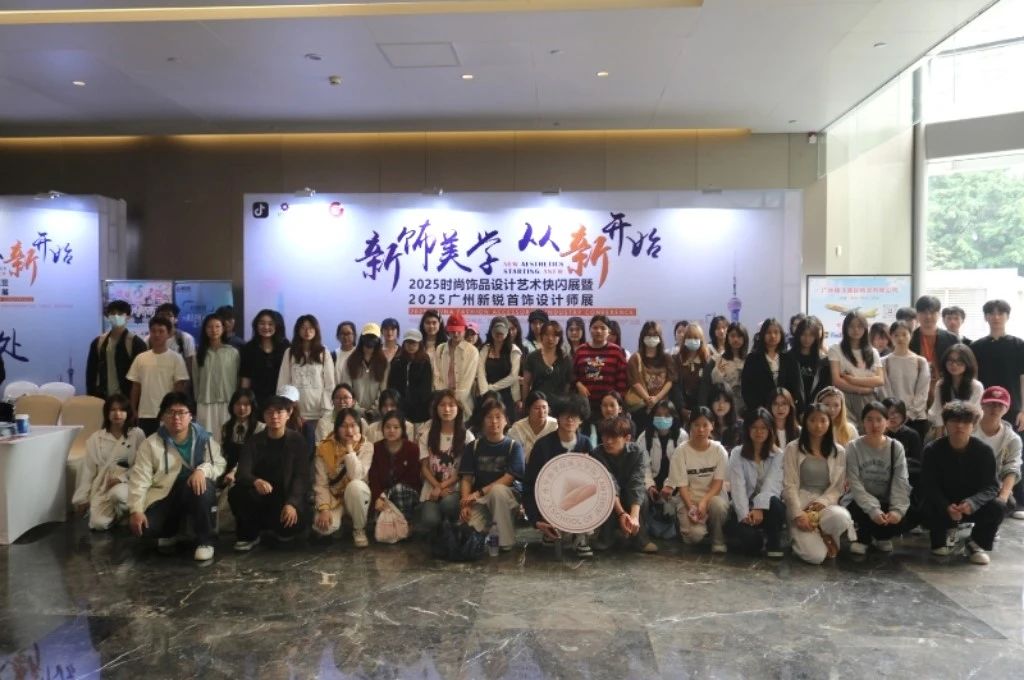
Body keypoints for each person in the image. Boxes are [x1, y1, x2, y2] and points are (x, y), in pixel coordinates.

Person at [127, 391, 225, 562]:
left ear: (191, 416)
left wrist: (202, 470)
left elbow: (219, 464)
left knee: (203, 485)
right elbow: (139, 479)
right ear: (162, 416)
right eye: (170, 412)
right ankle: (172, 532)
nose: (176, 417)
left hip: (194, 491)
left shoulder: (204, 438)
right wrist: (136, 510)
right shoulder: (151, 444)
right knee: (146, 529)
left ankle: (205, 541)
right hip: (165, 495)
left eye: (181, 412)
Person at [921, 401, 1004, 564]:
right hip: (943, 505)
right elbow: (928, 485)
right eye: (954, 421)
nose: (959, 426)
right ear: (946, 424)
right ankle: (942, 535)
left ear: (973, 425)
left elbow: (991, 486)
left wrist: (972, 503)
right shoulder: (932, 450)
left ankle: (975, 543)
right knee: (927, 510)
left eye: (965, 422)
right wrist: (946, 505)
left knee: (998, 506)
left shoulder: (984, 451)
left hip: (971, 504)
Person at [228, 389, 310, 551]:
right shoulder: (254, 441)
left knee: (286, 533)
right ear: (263, 416)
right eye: (269, 412)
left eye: (279, 412)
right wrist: (255, 480)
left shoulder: (297, 441)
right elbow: (242, 472)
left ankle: (277, 527)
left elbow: (301, 476)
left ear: (288, 414)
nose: (274, 416)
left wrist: (292, 503)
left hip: (285, 498)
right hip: (261, 497)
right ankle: (250, 535)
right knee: (237, 492)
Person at [782, 403, 855, 564]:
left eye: (823, 420)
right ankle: (801, 536)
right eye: (813, 420)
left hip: (826, 503)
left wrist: (818, 505)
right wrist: (798, 514)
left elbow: (837, 488)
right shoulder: (793, 448)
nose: (818, 425)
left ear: (829, 422)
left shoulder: (839, 451)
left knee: (841, 517)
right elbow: (789, 485)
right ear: (805, 422)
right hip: (800, 501)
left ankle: (823, 531)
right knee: (815, 557)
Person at [523, 394, 595, 557]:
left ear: (581, 420)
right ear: (558, 417)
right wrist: (535, 519)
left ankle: (581, 535)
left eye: (575, 416)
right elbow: (530, 483)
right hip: (549, 500)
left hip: (579, 498)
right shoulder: (542, 445)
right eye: (565, 415)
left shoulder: (585, 443)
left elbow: (597, 480)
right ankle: (550, 529)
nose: (570, 420)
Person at [844, 402, 913, 555]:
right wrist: (873, 509)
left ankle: (882, 537)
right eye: (869, 419)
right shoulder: (853, 447)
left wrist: (897, 510)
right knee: (858, 509)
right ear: (863, 422)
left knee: (906, 514)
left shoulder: (896, 447)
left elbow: (901, 481)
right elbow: (855, 483)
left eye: (879, 419)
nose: (874, 425)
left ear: (887, 422)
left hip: (886, 500)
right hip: (860, 501)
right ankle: (863, 538)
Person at [458, 399, 525, 551]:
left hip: (507, 497)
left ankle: (504, 542)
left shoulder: (514, 447)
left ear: (506, 420)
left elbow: (508, 479)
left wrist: (478, 493)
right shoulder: (473, 447)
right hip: (481, 500)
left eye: (498, 417)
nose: (494, 421)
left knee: (497, 491)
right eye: (489, 417)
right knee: (466, 532)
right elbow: (466, 479)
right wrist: (465, 504)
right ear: (482, 421)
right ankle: (491, 531)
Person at [72, 394, 146, 530]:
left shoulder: (137, 434)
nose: (117, 414)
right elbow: (88, 470)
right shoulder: (96, 438)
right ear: (107, 413)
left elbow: (142, 465)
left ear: (128, 413)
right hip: (103, 485)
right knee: (98, 524)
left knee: (117, 495)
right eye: (113, 410)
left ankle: (128, 513)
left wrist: (121, 478)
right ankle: (118, 515)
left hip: (127, 482)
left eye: (121, 410)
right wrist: (83, 498)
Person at [662, 407, 729, 552]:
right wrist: (691, 507)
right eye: (696, 425)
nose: (701, 429)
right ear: (690, 426)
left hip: (712, 497)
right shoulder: (681, 451)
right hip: (689, 499)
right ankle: (686, 524)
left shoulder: (719, 451)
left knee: (718, 506)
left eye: (705, 425)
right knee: (694, 537)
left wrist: (704, 502)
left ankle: (718, 539)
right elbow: (682, 486)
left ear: (712, 426)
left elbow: (718, 484)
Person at [589, 416, 658, 553]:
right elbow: (609, 483)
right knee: (604, 497)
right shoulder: (597, 453)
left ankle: (639, 538)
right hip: (608, 494)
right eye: (605, 436)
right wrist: (621, 514)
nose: (608, 441)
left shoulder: (637, 452)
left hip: (630, 493)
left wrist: (633, 517)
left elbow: (637, 482)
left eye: (614, 437)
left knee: (642, 498)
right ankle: (606, 538)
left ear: (627, 438)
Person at [725, 408, 785, 557]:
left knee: (775, 503)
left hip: (768, 508)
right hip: (745, 507)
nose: (759, 432)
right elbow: (738, 487)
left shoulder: (778, 455)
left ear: (770, 430)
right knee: (751, 544)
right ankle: (756, 538)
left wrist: (759, 507)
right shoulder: (737, 453)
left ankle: (773, 543)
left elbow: (772, 485)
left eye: (763, 428)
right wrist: (745, 515)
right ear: (747, 429)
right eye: (754, 427)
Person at [312, 408, 374, 547]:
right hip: (334, 497)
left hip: (356, 495)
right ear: (336, 427)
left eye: (353, 425)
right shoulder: (324, 447)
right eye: (344, 426)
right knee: (324, 528)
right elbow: (321, 483)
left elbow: (356, 475)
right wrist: (324, 509)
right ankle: (340, 523)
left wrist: (350, 448)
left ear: (359, 427)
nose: (349, 430)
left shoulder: (367, 446)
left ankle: (359, 529)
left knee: (355, 486)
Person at [418, 390, 475, 535]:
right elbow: (424, 468)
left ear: (459, 408)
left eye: (451, 405)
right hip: (432, 488)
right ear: (436, 408)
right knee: (429, 519)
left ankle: (453, 525)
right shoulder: (426, 435)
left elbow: (463, 471)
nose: (447, 409)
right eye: (442, 405)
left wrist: (442, 487)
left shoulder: (467, 437)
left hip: (455, 489)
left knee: (448, 504)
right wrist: (437, 487)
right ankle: (442, 528)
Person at [277, 314, 335, 449]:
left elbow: (330, 384)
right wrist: (288, 409)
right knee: (295, 449)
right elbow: (284, 383)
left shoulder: (324, 352)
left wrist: (326, 411)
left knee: (318, 449)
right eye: (303, 328)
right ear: (298, 330)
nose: (307, 331)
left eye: (311, 328)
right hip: (295, 412)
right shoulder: (289, 352)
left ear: (316, 330)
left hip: (319, 412)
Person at [126, 317, 190, 436]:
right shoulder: (140, 358)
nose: (157, 334)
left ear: (168, 334)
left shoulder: (176, 358)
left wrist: (175, 410)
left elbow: (179, 387)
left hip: (168, 414)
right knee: (146, 445)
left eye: (161, 331)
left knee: (168, 445)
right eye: (153, 331)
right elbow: (136, 386)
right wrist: (133, 410)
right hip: (145, 413)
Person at [971, 299, 1024, 434]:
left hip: (1013, 407)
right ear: (985, 317)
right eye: (991, 314)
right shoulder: (976, 347)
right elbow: (973, 380)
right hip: (984, 405)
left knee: (1014, 443)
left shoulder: (1019, 345)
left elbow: (1023, 379)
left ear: (1007, 316)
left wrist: (1023, 410)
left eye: (1000, 313)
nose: (996, 317)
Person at [974, 386, 1024, 520]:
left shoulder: (1012, 439)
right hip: (964, 480)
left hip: (992, 486)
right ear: (982, 405)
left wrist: (1003, 498)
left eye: (1000, 405)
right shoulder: (969, 429)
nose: (995, 409)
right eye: (990, 404)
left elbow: (1012, 468)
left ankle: (985, 524)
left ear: (1007, 409)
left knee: (1008, 502)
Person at [640, 400, 688, 539]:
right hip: (653, 482)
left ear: (674, 417)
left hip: (676, 483)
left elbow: (682, 465)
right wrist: (650, 485)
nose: (662, 418)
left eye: (667, 415)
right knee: (643, 498)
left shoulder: (682, 436)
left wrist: (670, 485)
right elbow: (643, 466)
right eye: (658, 415)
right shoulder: (645, 436)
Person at [828, 311, 885, 423]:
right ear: (845, 328)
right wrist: (861, 389)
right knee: (846, 430)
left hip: (869, 398)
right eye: (851, 326)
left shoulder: (873, 352)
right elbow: (837, 381)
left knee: (867, 429)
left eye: (860, 326)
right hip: (845, 397)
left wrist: (853, 380)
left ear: (865, 328)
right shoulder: (835, 349)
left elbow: (880, 380)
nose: (856, 330)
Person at [86, 299, 149, 399]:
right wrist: (91, 396)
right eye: (112, 313)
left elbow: (142, 375)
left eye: (120, 314)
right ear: (107, 316)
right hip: (102, 397)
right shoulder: (98, 342)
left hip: (126, 399)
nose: (116, 316)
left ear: (128, 317)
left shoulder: (136, 343)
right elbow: (91, 373)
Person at [367, 410, 421, 524]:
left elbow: (412, 479)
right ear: (382, 429)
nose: (391, 430)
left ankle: (406, 523)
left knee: (399, 490)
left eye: (396, 427)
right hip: (381, 494)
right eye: (388, 427)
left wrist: (385, 496)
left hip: (406, 494)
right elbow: (373, 478)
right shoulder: (375, 448)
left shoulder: (412, 449)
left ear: (402, 429)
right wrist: (378, 496)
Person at [192, 313, 240, 440]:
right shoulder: (199, 353)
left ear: (223, 329)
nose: (214, 330)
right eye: (210, 327)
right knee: (206, 439)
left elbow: (238, 377)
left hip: (228, 401)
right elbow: (195, 380)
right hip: (205, 402)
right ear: (205, 329)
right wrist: (196, 401)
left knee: (227, 438)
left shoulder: (233, 352)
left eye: (217, 326)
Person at [882, 320, 930, 442]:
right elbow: (884, 389)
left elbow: (923, 391)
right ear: (890, 337)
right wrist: (893, 413)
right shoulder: (884, 361)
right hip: (890, 418)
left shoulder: (920, 361)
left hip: (916, 418)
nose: (900, 338)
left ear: (911, 335)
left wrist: (909, 414)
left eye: (904, 334)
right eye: (896, 335)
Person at [742, 318, 802, 414]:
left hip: (785, 409)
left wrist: (788, 405)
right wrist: (758, 409)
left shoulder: (790, 358)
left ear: (781, 335)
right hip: (760, 410)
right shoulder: (752, 358)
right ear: (762, 335)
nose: (772, 336)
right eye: (768, 333)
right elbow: (747, 388)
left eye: (776, 332)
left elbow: (796, 387)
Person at [573, 315, 629, 418]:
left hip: (609, 408)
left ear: (608, 331)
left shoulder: (617, 351)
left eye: (603, 328)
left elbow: (622, 381)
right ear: (589, 330)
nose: (598, 331)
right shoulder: (580, 350)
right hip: (585, 406)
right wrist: (578, 384)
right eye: (595, 327)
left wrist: (616, 402)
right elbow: (572, 374)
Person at [910, 295, 959, 409]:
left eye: (932, 312)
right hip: (916, 390)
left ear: (939, 314)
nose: (928, 316)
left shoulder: (952, 339)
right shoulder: (910, 338)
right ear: (917, 315)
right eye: (923, 312)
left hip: (944, 389)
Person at [626, 321, 676, 432]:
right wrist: (648, 399)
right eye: (648, 335)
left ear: (660, 338)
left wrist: (657, 398)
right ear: (643, 337)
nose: (651, 338)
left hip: (662, 407)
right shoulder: (635, 358)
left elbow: (670, 380)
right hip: (641, 408)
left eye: (655, 335)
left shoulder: (667, 358)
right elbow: (635, 382)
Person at [239, 309, 289, 415]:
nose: (266, 327)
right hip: (256, 399)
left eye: (270, 324)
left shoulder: (285, 347)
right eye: (262, 323)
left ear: (277, 326)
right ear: (256, 325)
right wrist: (244, 398)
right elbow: (246, 377)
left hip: (281, 398)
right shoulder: (249, 348)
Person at [927, 344, 982, 438]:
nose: (954, 365)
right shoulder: (941, 384)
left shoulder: (976, 386)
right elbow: (938, 411)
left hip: (969, 432)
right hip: (945, 431)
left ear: (968, 363)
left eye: (959, 361)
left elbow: (972, 415)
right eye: (950, 360)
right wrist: (939, 439)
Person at [432, 311, 479, 417]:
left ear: (464, 330)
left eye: (459, 330)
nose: (456, 334)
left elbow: (467, 381)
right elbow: (436, 376)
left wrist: (454, 399)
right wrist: (444, 398)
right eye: (452, 331)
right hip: (442, 402)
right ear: (447, 331)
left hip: (464, 404)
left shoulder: (472, 351)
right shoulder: (440, 348)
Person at [522, 320, 574, 415]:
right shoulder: (532, 357)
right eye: (547, 334)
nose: (550, 338)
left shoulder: (566, 358)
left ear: (559, 338)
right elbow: (526, 383)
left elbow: (568, 384)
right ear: (541, 336)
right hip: (537, 405)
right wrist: (525, 404)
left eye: (554, 335)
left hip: (560, 406)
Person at [386, 329, 433, 432]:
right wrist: (398, 403)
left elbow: (426, 389)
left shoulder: (425, 362)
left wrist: (414, 402)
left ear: (420, 344)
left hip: (420, 410)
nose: (411, 346)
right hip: (400, 409)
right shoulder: (397, 361)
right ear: (404, 344)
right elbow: (391, 385)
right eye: (408, 343)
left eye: (414, 343)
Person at [477, 316, 522, 420]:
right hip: (486, 394)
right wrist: (485, 392)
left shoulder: (514, 350)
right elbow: (480, 372)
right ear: (491, 332)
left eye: (502, 332)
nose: (499, 335)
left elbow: (513, 377)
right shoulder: (485, 349)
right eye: (496, 332)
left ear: (507, 332)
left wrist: (492, 388)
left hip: (508, 395)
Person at [340, 323, 389, 419]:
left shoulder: (384, 363)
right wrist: (358, 409)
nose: (370, 340)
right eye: (367, 336)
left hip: (377, 415)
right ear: (362, 338)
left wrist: (374, 410)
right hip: (354, 414)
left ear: (378, 340)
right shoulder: (350, 361)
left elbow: (384, 390)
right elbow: (347, 389)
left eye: (373, 337)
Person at [218, 388, 265, 487]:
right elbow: (222, 453)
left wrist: (234, 472)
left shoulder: (260, 428)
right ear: (232, 406)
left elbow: (255, 457)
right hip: (227, 469)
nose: (242, 408)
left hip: (250, 471)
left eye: (246, 404)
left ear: (252, 406)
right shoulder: (226, 427)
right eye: (238, 404)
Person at [702, 321, 748, 416]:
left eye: (739, 336)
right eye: (732, 336)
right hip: (725, 407)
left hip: (746, 407)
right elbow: (713, 384)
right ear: (727, 337)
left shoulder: (750, 360)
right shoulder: (720, 360)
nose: (736, 339)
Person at [670, 322, 711, 420]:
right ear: (684, 340)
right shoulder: (675, 359)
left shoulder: (708, 361)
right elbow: (675, 386)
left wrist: (700, 410)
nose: (692, 340)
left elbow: (706, 388)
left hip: (702, 410)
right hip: (680, 410)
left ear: (701, 340)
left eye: (696, 338)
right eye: (689, 337)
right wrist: (681, 409)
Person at [789, 316, 830, 409]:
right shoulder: (789, 357)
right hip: (793, 407)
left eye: (811, 335)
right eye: (803, 334)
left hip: (816, 408)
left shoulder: (823, 360)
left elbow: (825, 387)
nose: (807, 339)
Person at [152, 302, 197, 383]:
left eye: (169, 315)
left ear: (176, 319)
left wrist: (185, 388)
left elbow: (190, 369)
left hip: (178, 385)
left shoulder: (186, 338)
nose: (165, 318)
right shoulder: (149, 339)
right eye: (161, 315)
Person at [507, 391, 558, 462]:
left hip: (549, 465)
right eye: (537, 408)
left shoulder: (555, 425)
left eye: (544, 407)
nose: (541, 412)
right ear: (528, 409)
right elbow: (513, 454)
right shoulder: (518, 427)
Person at [709, 385, 742, 450]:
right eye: (717, 400)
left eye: (726, 401)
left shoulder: (740, 427)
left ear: (731, 404)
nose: (721, 405)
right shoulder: (704, 427)